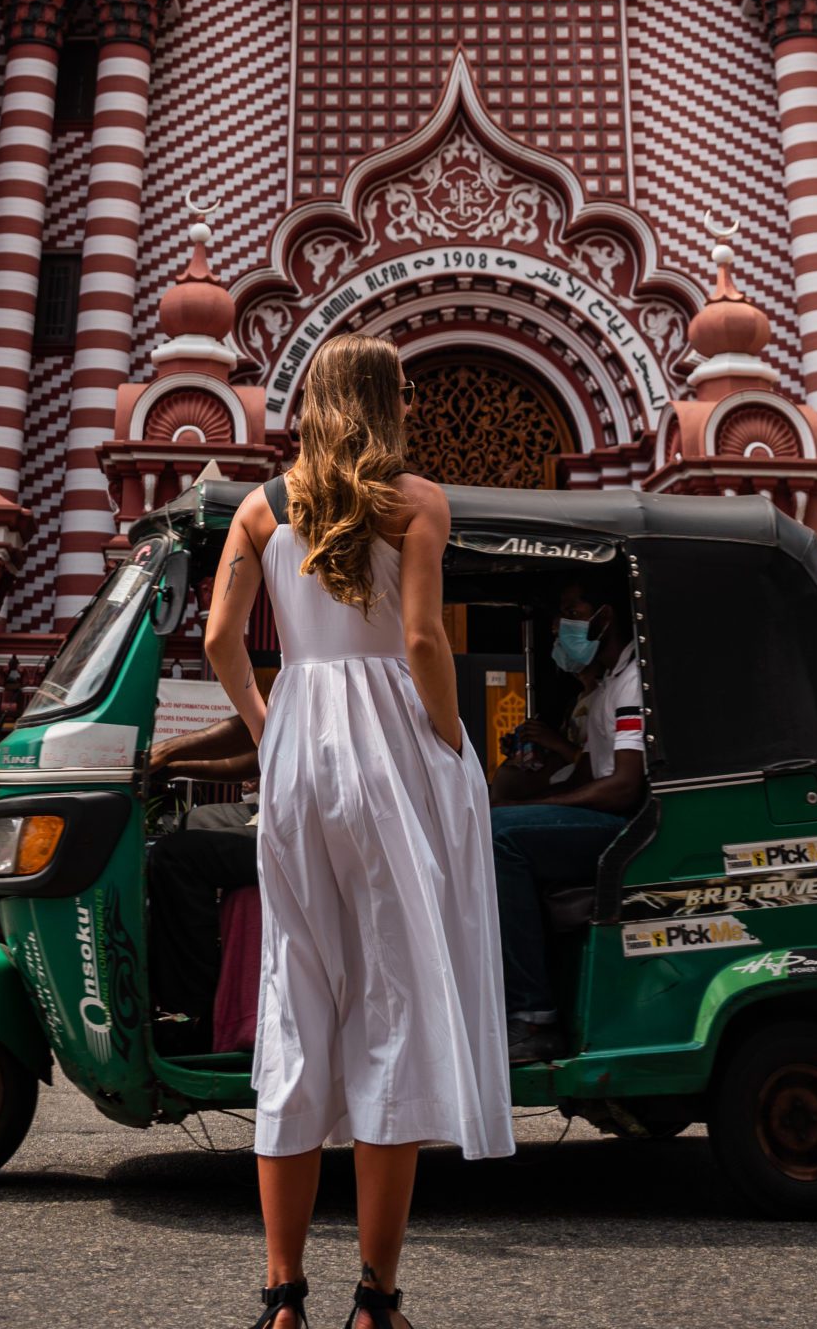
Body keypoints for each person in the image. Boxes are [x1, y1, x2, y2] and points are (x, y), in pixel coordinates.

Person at [206, 333, 512, 1329]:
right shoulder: (415, 500)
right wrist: (450, 738)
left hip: (298, 749)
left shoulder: (260, 506)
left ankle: (280, 1291)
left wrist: (268, 723)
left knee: (297, 1000)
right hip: (391, 745)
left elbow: (217, 638)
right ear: (384, 401)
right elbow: (423, 638)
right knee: (391, 1007)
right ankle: (374, 1299)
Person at [490, 571, 647, 1066]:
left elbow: (622, 785)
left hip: (627, 827)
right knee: (494, 823)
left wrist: (528, 811)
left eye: (575, 614)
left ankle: (534, 1017)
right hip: (604, 817)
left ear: (605, 618)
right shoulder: (604, 686)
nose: (565, 626)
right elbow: (585, 769)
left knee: (500, 839)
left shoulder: (633, 682)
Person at [146, 714, 261, 1042]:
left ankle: (198, 1004)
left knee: (174, 856)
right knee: (196, 818)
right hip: (274, 806)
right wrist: (178, 766)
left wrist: (168, 751)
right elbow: (261, 752)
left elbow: (256, 726)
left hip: (305, 820)